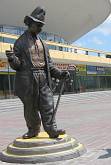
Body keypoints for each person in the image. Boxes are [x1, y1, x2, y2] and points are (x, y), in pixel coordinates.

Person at [5, 7, 70, 139]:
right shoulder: (20, 42)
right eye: (38, 25)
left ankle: (52, 129)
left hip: (43, 78)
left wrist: (60, 74)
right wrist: (12, 58)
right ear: (30, 24)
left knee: (47, 103)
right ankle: (33, 129)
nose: (40, 28)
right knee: (30, 107)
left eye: (41, 26)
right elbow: (17, 66)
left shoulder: (43, 44)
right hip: (28, 79)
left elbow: (50, 65)